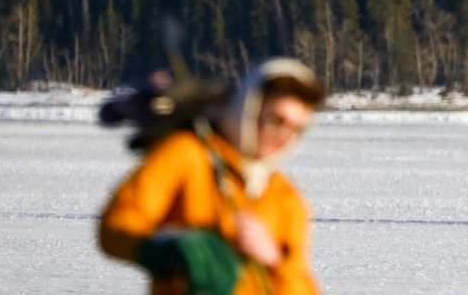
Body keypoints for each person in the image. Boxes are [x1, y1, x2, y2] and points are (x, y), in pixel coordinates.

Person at [98, 57, 325, 295]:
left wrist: (275, 260)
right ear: (250, 107)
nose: (283, 136)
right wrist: (164, 250)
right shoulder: (189, 155)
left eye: (296, 128)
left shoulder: (286, 199)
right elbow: (115, 223)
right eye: (275, 121)